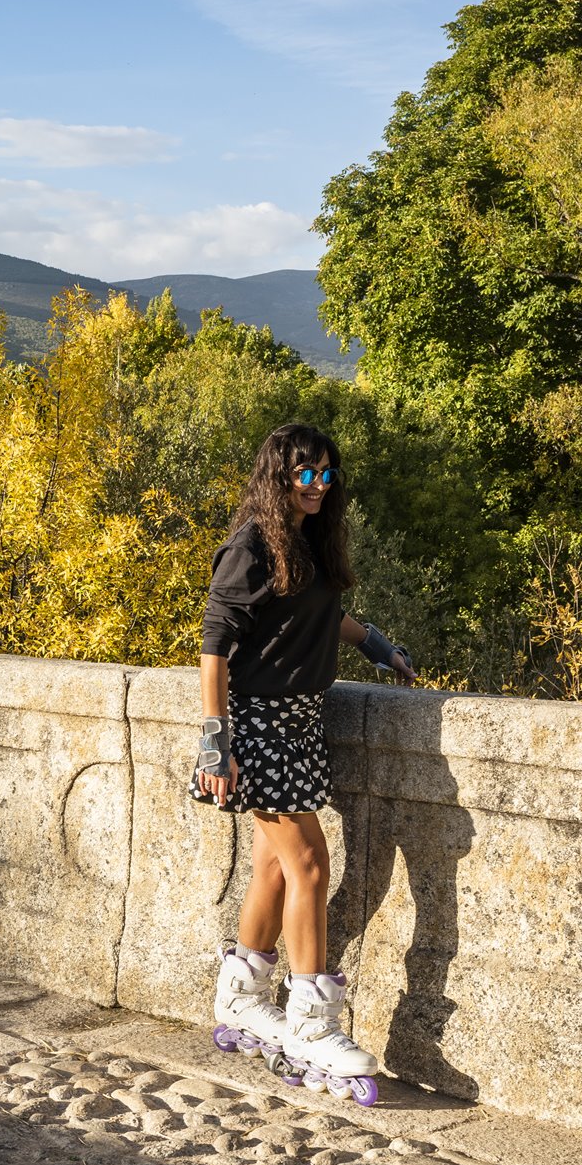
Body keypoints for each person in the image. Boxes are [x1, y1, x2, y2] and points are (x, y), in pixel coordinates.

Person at [191, 422, 413, 1103]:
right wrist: (214, 743)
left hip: (301, 722)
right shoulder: (250, 544)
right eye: (305, 474)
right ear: (278, 474)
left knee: (272, 864)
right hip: (254, 725)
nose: (318, 485)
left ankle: (242, 993)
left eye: (326, 475)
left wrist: (372, 641)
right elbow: (214, 643)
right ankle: (311, 1020)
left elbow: (315, 616)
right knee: (310, 863)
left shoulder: (308, 540)